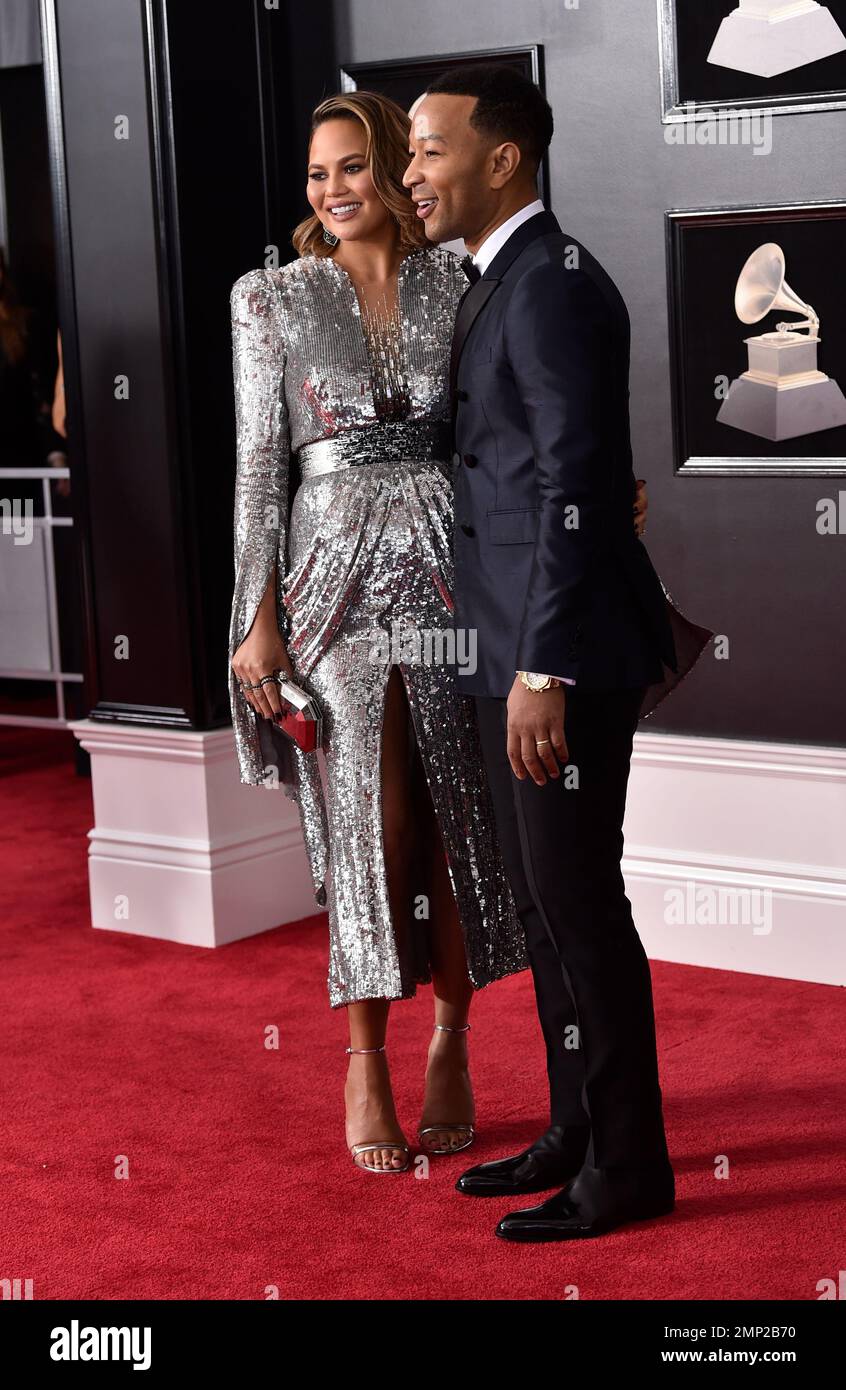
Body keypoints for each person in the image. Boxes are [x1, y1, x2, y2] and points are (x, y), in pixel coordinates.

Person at [228, 91, 653, 1177]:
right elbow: (254, 470)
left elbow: (518, 430)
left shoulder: (458, 280)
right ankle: (364, 1055)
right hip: (331, 590)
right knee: (368, 827)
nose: (338, 188)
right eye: (320, 173)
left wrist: (601, 495)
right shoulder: (270, 297)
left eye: (360, 164)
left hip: (461, 583)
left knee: (467, 831)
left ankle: (453, 1041)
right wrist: (255, 619)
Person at [404, 64, 712, 1239]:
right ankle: (578, 1125)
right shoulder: (503, 275)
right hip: (507, 639)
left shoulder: (550, 284)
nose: (410, 173)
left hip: (556, 653)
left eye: (431, 150)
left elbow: (577, 481)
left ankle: (630, 1165)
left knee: (579, 906)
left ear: (504, 159)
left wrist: (544, 670)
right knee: (539, 913)